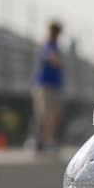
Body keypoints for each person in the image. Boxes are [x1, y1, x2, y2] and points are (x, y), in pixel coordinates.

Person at [31, 20, 64, 151]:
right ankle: (45, 140)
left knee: (53, 114)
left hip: (54, 86)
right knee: (46, 114)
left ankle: (45, 139)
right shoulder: (47, 45)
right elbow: (52, 58)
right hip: (45, 85)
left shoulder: (55, 46)